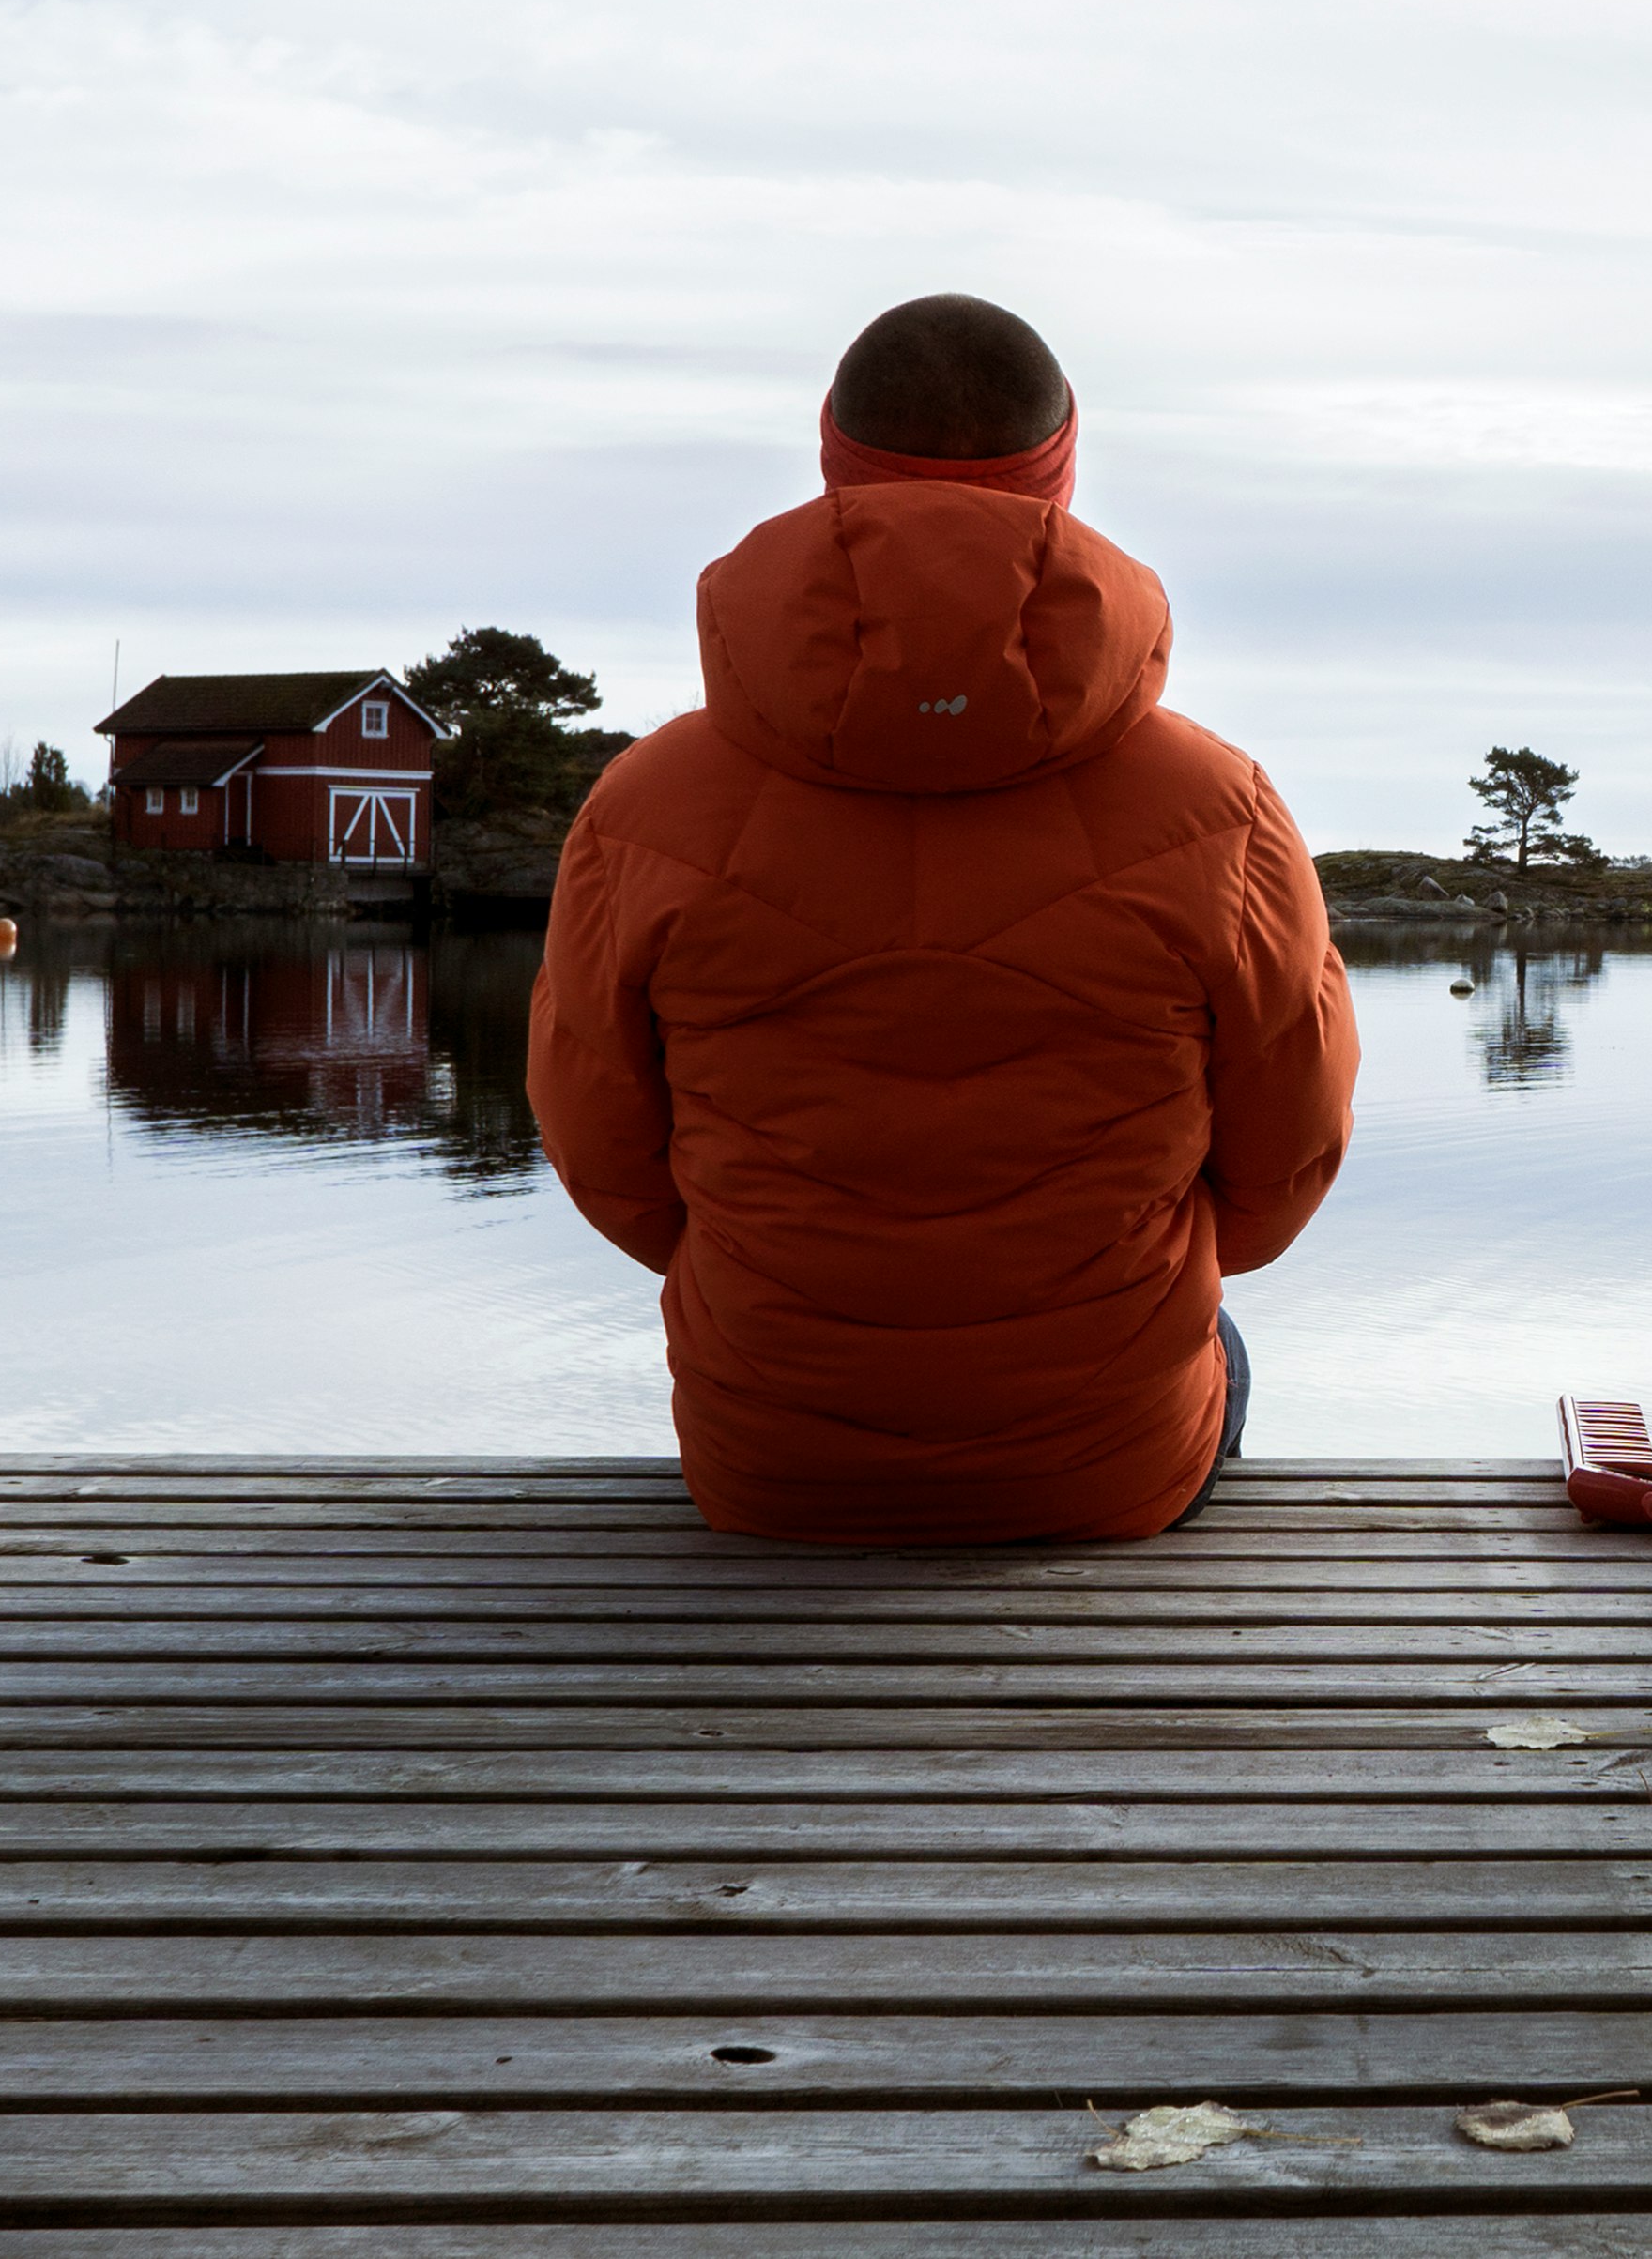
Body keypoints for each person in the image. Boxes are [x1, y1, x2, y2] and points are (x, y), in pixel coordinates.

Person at [530, 294, 1357, 1544]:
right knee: (1215, 1330)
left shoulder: (647, 806)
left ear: (832, 462)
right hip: (1109, 1474)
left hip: (774, 1471)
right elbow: (1282, 1167)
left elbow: (605, 1156)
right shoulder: (1218, 807)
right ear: (1061, 473)